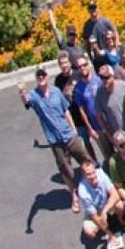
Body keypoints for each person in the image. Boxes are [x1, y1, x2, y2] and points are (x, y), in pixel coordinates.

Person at [19, 66, 91, 214]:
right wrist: (22, 93)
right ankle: (74, 196)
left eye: (43, 75)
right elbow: (26, 100)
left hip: (69, 135)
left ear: (47, 76)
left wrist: (74, 130)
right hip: (55, 141)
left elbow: (66, 111)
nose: (41, 78)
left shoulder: (56, 92)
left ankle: (92, 187)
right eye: (38, 76)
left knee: (85, 160)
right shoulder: (34, 95)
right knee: (66, 170)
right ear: (36, 78)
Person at [78, 158, 125, 249]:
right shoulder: (82, 191)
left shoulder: (101, 174)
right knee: (89, 232)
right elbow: (94, 216)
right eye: (88, 174)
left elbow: (115, 195)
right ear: (83, 174)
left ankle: (121, 220)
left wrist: (104, 211)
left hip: (106, 204)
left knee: (120, 206)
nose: (92, 176)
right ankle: (103, 228)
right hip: (95, 210)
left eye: (93, 172)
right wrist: (110, 235)